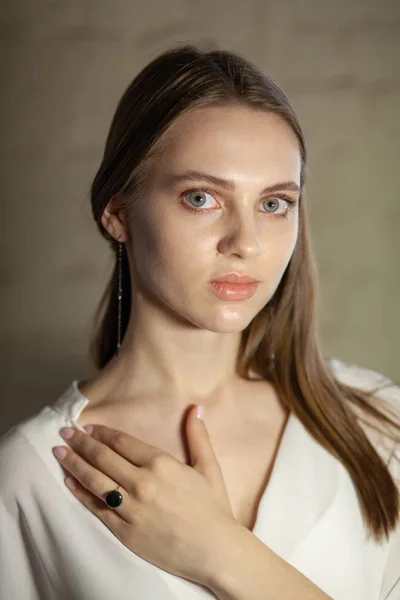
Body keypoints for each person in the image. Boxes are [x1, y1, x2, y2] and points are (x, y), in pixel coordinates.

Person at [1, 43, 399, 600]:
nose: (247, 243)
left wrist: (219, 551)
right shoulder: (30, 476)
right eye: (201, 197)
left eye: (274, 203)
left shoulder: (379, 422)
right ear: (118, 214)